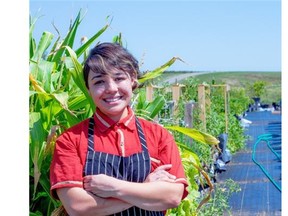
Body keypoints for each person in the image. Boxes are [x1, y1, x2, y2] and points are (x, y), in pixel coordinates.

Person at [50, 42, 188, 216]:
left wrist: (112, 187)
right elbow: (77, 207)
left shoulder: (158, 136)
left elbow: (172, 197)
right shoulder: (70, 140)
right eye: (99, 81)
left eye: (119, 78)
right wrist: (146, 189)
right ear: (88, 88)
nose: (111, 89)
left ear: (132, 80)